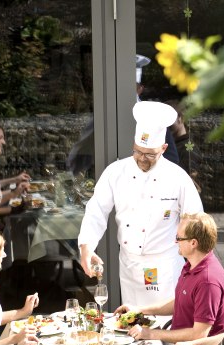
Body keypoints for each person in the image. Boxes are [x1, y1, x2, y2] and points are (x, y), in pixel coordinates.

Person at [79, 101, 203, 306]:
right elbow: (96, 211)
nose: (142, 159)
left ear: (163, 148)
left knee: (166, 326)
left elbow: (196, 220)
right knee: (134, 322)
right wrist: (86, 247)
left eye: (150, 154)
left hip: (165, 264)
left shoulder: (177, 178)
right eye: (138, 152)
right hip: (131, 265)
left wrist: (196, 263)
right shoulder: (115, 172)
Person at [116, 212, 224, 345]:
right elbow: (181, 302)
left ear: (193, 243)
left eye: (179, 238)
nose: (175, 241)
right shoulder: (192, 264)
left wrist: (150, 334)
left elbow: (199, 334)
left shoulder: (208, 281)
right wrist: (139, 310)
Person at [66, 54, 179, 175]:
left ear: (140, 89)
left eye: (131, 87)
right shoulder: (105, 116)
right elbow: (80, 157)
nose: (125, 91)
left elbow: (171, 161)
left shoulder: (153, 116)